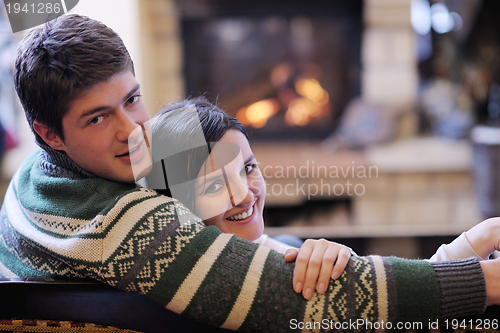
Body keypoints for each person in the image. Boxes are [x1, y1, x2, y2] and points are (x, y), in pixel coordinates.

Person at [1, 13, 500, 331]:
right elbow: (296, 304)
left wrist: (290, 250)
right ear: (48, 133)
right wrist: (481, 280)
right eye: (97, 117)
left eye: (132, 99)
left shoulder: (33, 180)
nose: (133, 129)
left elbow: (241, 252)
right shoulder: (123, 222)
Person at [145, 96, 352, 299]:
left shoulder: (281, 251)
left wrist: (341, 261)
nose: (245, 195)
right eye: (215, 185)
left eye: (248, 168)